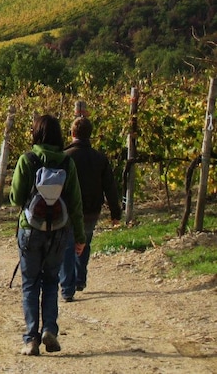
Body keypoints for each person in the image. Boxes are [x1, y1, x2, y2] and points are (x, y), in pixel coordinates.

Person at [10, 114, 85, 356]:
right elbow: (75, 203)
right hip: (59, 231)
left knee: (30, 283)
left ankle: (31, 338)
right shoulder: (67, 163)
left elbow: (16, 198)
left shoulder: (27, 160)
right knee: (52, 281)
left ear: (36, 133)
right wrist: (80, 237)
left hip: (31, 230)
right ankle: (49, 329)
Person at [59, 116, 121, 301]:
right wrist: (115, 213)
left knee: (68, 246)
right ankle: (79, 279)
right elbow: (110, 186)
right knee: (84, 242)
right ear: (90, 135)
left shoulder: (64, 157)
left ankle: (67, 289)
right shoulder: (100, 158)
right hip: (91, 209)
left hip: (68, 209)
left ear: (72, 134)